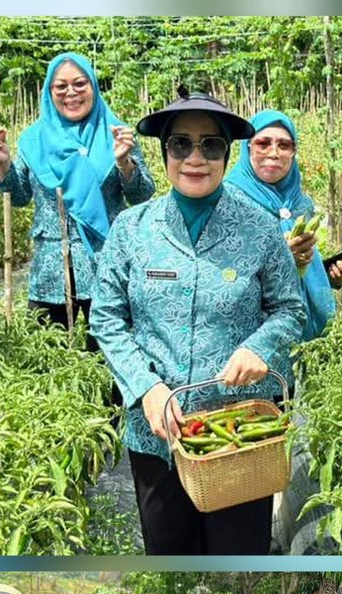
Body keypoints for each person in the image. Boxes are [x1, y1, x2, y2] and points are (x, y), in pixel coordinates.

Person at [90, 91, 307, 555]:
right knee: (168, 554)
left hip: (240, 439)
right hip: (159, 436)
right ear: (164, 151)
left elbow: (290, 309)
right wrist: (146, 389)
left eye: (211, 145)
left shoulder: (259, 228)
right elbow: (107, 316)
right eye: (181, 144)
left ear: (227, 155)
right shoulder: (132, 229)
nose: (195, 158)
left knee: (239, 552)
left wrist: (260, 348)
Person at [224, 108, 342, 554]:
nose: (274, 152)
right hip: (256, 340)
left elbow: (306, 269)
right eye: (263, 143)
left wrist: (327, 273)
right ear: (247, 149)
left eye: (284, 144)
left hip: (305, 336)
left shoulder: (299, 203)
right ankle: (257, 535)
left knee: (292, 436)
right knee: (259, 440)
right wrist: (284, 258)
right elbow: (229, 277)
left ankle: (282, 529)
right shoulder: (231, 201)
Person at [0, 52, 154, 338]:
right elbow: (20, 196)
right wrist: (4, 164)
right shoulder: (33, 139)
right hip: (51, 265)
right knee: (44, 354)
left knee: (108, 351)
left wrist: (124, 163)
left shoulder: (115, 134)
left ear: (93, 87)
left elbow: (142, 195)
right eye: (60, 86)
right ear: (49, 92)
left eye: (80, 84)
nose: (71, 93)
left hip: (105, 262)